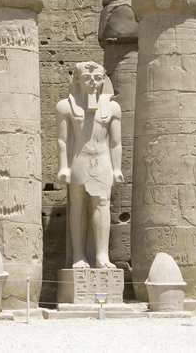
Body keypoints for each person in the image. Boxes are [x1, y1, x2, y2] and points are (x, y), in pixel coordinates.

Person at [56, 62, 123, 269]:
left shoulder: (112, 107)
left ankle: (102, 255)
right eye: (87, 78)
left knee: (102, 203)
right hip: (79, 158)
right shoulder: (65, 106)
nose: (92, 82)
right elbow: (63, 141)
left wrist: (117, 168)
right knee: (78, 205)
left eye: (97, 78)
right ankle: (79, 254)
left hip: (102, 159)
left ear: (103, 80)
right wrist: (64, 167)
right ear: (78, 80)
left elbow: (116, 142)